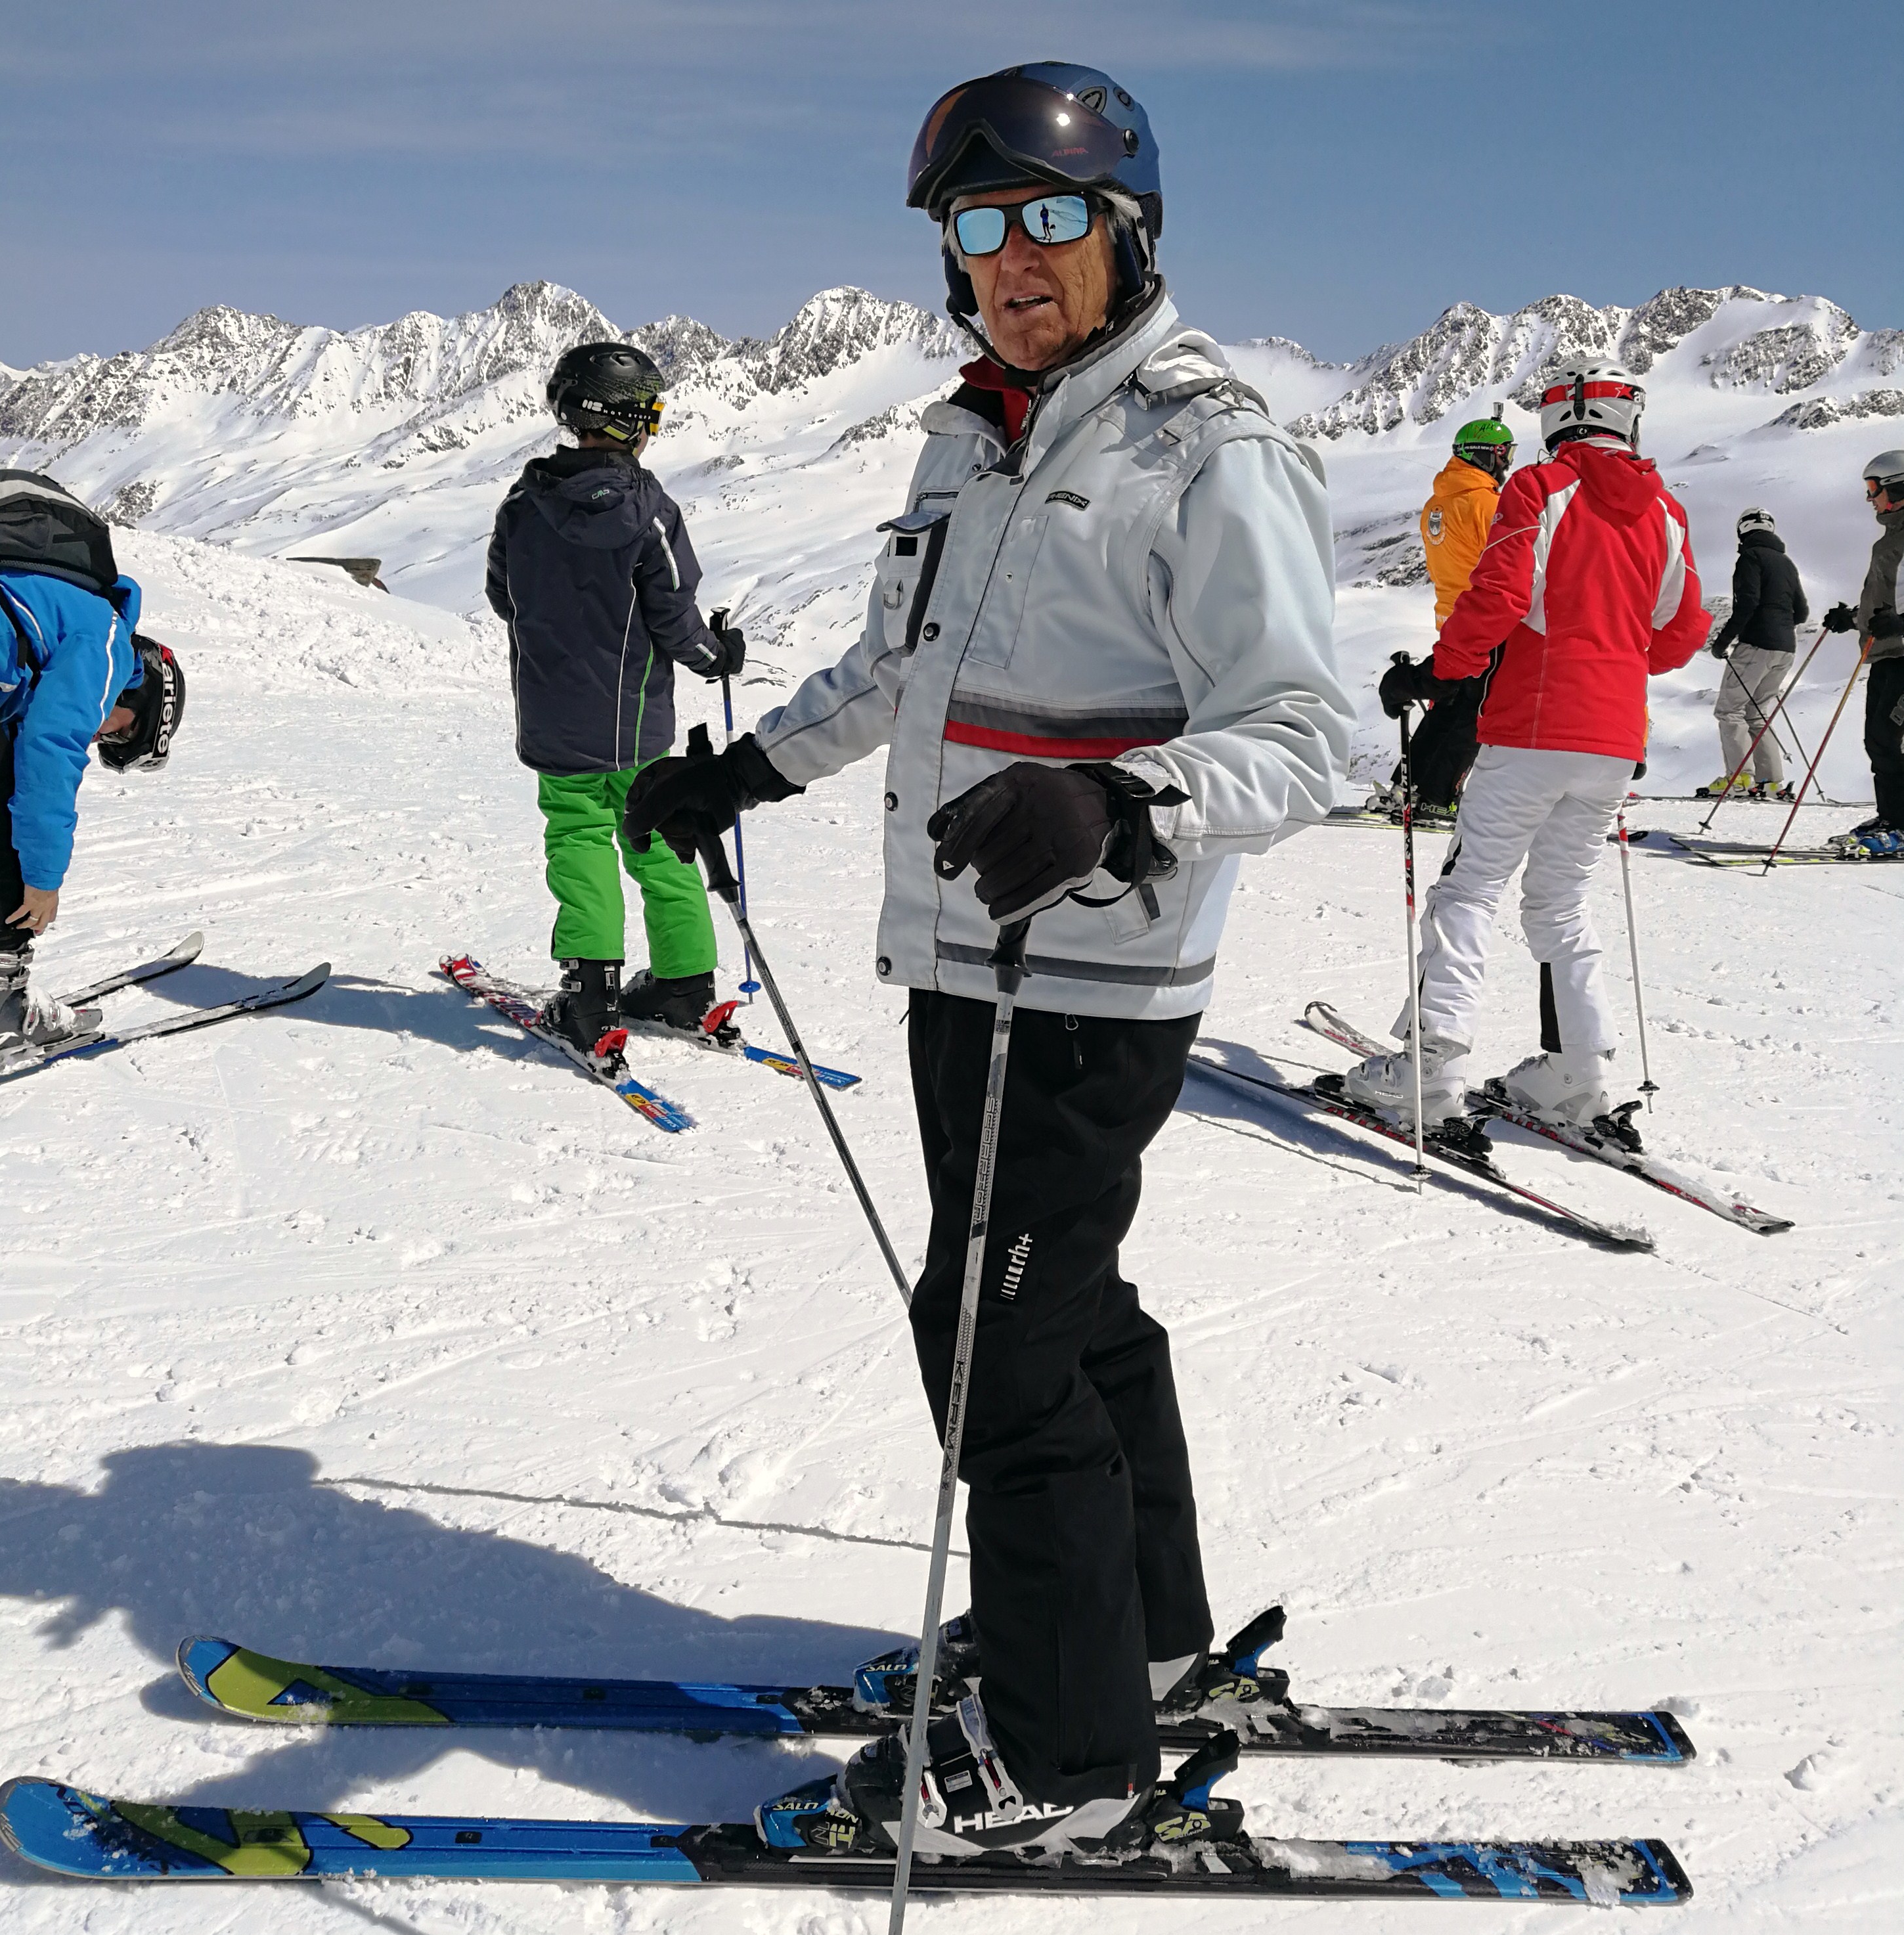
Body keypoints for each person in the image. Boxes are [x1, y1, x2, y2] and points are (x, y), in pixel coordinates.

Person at [625, 62, 1351, 1859]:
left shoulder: (1206, 447)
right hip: (954, 962)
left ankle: (1063, 1753)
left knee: (996, 1338)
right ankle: (1140, 1642)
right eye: (975, 226)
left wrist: (1124, 798)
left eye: (1049, 217)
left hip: (1088, 987)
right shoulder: (971, 435)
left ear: (1129, 235)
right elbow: (901, 667)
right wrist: (744, 769)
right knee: (1061, 1305)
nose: (1011, 257)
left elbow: (1305, 736)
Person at [1348, 356, 1706, 1128]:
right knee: (1562, 903)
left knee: (1470, 888)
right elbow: (1681, 633)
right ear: (1628, 418)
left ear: (1555, 419)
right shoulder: (1666, 510)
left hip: (1534, 728)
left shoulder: (1540, 489)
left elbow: (1500, 595)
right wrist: (1613, 662)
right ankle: (1578, 1074)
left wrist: (1437, 673)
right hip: (1614, 738)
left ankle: (1429, 1069)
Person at [484, 344, 745, 1059]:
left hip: (554, 720)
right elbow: (676, 619)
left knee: (578, 843)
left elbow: (504, 596)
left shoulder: (522, 506)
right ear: (628, 421)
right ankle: (684, 984)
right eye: (650, 415)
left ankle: (591, 997)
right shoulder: (649, 513)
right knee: (659, 839)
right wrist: (717, 657)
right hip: (638, 728)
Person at [0, 470, 177, 1061]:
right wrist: (43, 878)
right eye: (120, 729)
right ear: (139, 694)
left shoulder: (34, 607)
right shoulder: (107, 639)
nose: (102, 732)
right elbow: (49, 751)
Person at [1383, 412, 1515, 819]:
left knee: (1449, 706)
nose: (1507, 464)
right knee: (1473, 714)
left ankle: (1406, 788)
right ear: (1487, 455)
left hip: (1450, 619)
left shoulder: (1436, 505)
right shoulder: (1488, 504)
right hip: (1486, 621)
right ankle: (1437, 798)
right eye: (1504, 454)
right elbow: (1509, 564)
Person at [1817, 450, 1904, 853]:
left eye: (1874, 488)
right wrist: (1854, 618)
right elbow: (1889, 603)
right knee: (1879, 741)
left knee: (1890, 739)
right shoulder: (1891, 540)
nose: (1870, 498)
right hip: (1887, 654)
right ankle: (1892, 817)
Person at [1703, 506, 1807, 799]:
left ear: (1742, 530)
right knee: (1757, 712)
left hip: (1756, 645)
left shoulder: (1750, 558)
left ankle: (1739, 779)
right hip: (1786, 649)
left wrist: (1723, 641)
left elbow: (1747, 602)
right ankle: (1771, 782)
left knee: (1730, 710)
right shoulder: (1786, 563)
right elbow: (1802, 612)